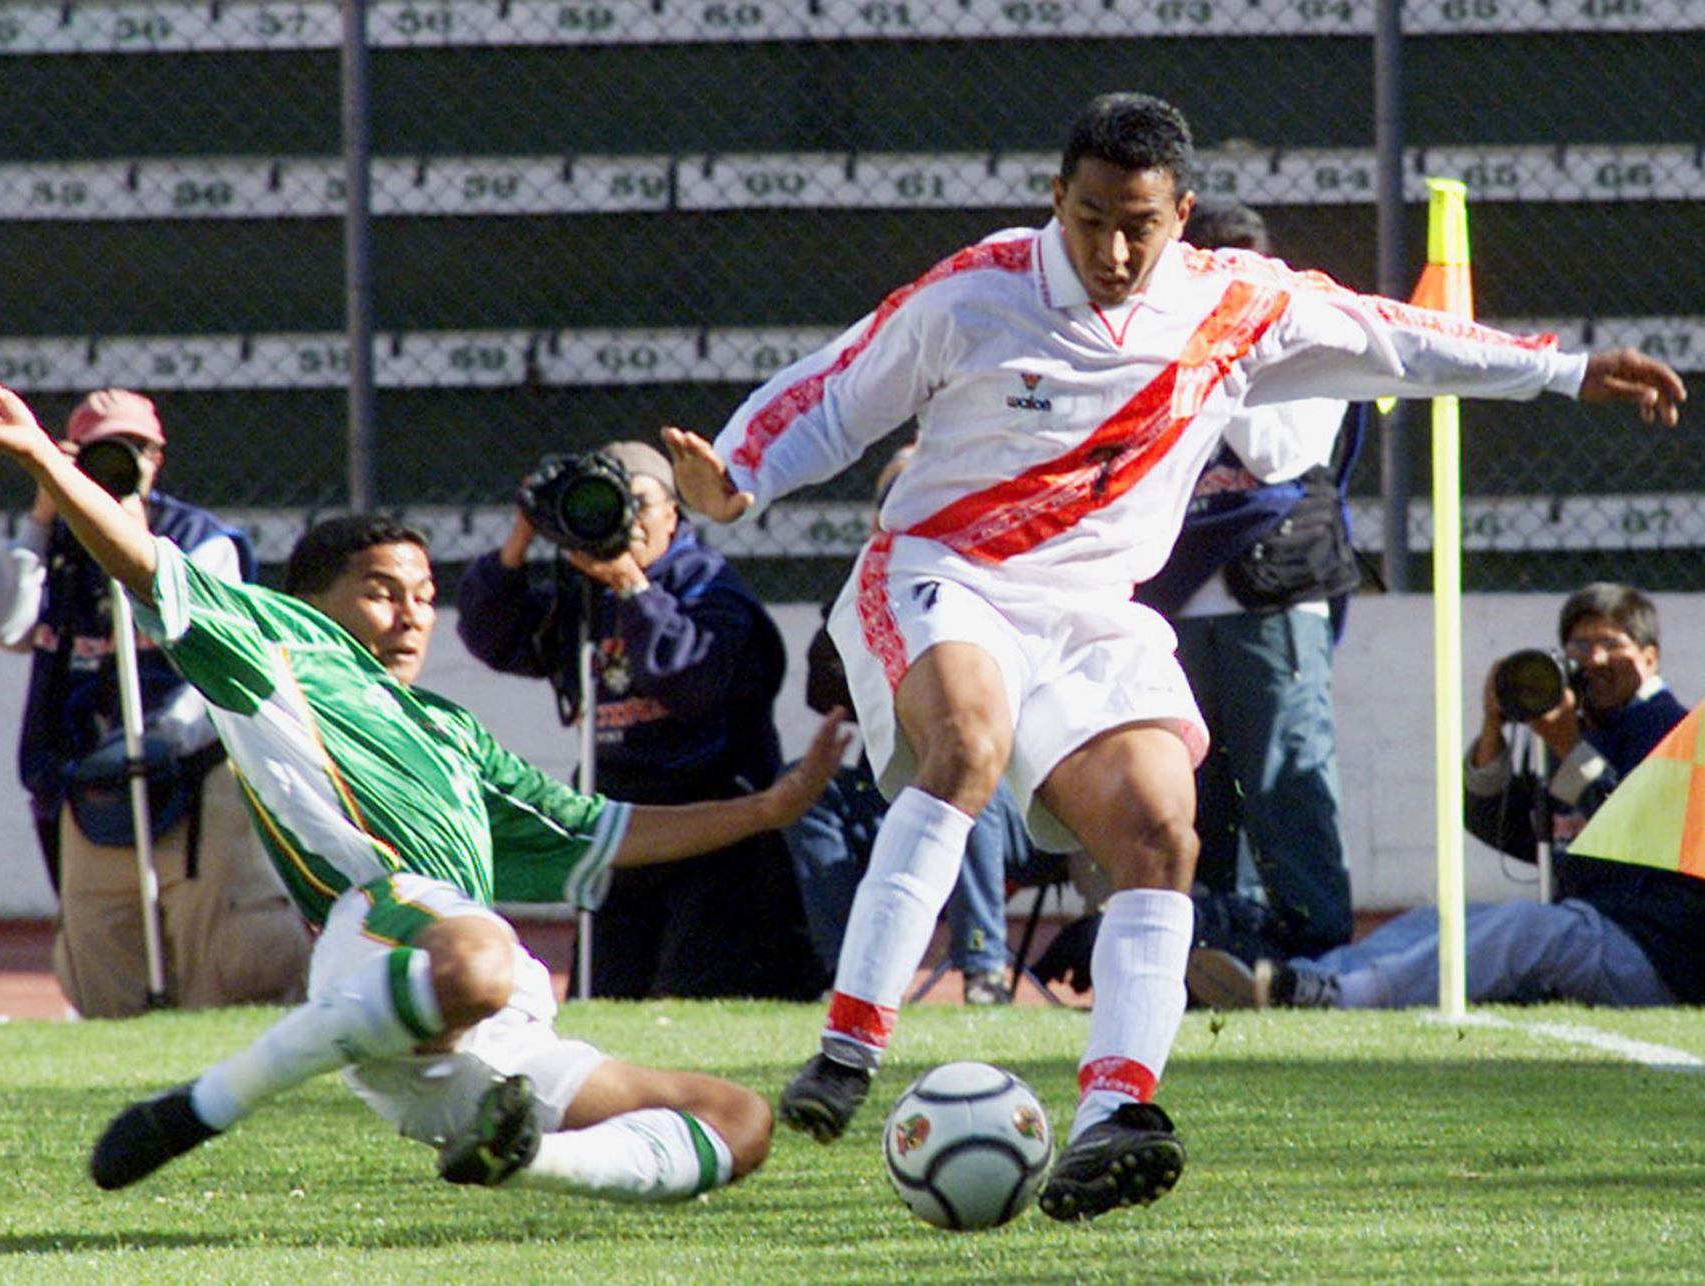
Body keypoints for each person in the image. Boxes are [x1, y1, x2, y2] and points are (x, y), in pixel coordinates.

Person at [659, 90, 1685, 1224]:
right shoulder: (977, 290)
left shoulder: (1233, 302)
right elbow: (837, 389)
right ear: (1056, 197)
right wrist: (739, 473)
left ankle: (1114, 1115)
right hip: (944, 573)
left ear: (1180, 213)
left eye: (1136, 223)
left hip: (1093, 609)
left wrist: (1563, 368)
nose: (1109, 247)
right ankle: (848, 1046)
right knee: (970, 744)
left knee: (1162, 828)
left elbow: (1396, 335)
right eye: (1088, 215)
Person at [0, 371, 850, 1205]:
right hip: (382, 938)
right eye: (382, 590)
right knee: (481, 954)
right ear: (314, 600)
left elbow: (592, 832)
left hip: (487, 1032)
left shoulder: (452, 733)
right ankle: (206, 1103)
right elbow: (144, 563)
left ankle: (521, 1154)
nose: (413, 613)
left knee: (738, 1122)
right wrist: (46, 461)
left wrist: (769, 808)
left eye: (420, 593)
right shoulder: (277, 649)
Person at [1195, 582, 1703, 1010]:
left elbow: (1638, 835)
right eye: (1579, 646)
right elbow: (1504, 830)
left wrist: (1569, 745)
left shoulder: (1671, 731)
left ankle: (1347, 995)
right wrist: (1493, 729)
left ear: (1649, 657)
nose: (1592, 660)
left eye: (1610, 644)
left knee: (1528, 926)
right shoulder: (1583, 727)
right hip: (1596, 931)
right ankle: (1295, 978)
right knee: (1446, 919)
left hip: (1657, 954)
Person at [0, 386, 309, 1018]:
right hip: (78, 772)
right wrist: (44, 519)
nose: (122, 465)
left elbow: (210, 653)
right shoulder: (54, 544)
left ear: (158, 455)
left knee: (215, 948)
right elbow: (4, 627)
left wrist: (162, 740)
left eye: (134, 449)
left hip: (183, 770)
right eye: (99, 452)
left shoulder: (198, 539)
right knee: (105, 954)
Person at [456, 441, 823, 1000]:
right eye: (610, 504)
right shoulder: (586, 590)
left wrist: (633, 588)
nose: (625, 522)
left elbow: (692, 683)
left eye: (640, 504)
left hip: (713, 817)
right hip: (618, 816)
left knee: (701, 993)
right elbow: (494, 636)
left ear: (675, 511)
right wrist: (523, 538)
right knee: (609, 994)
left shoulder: (711, 588)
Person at [1137, 197, 1363, 968]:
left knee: (1285, 776)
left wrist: (1217, 354)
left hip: (1271, 592)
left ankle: (1318, 948)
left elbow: (1276, 455)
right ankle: (1212, 940)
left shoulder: (1309, 335)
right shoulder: (1149, 340)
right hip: (1173, 601)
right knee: (1196, 785)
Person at [785, 446, 1067, 1004]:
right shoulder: (869, 595)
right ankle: (851, 977)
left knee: (965, 771)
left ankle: (983, 965)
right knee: (809, 788)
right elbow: (823, 693)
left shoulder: (1006, 584)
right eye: (898, 501)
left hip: (1008, 807)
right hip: (890, 796)